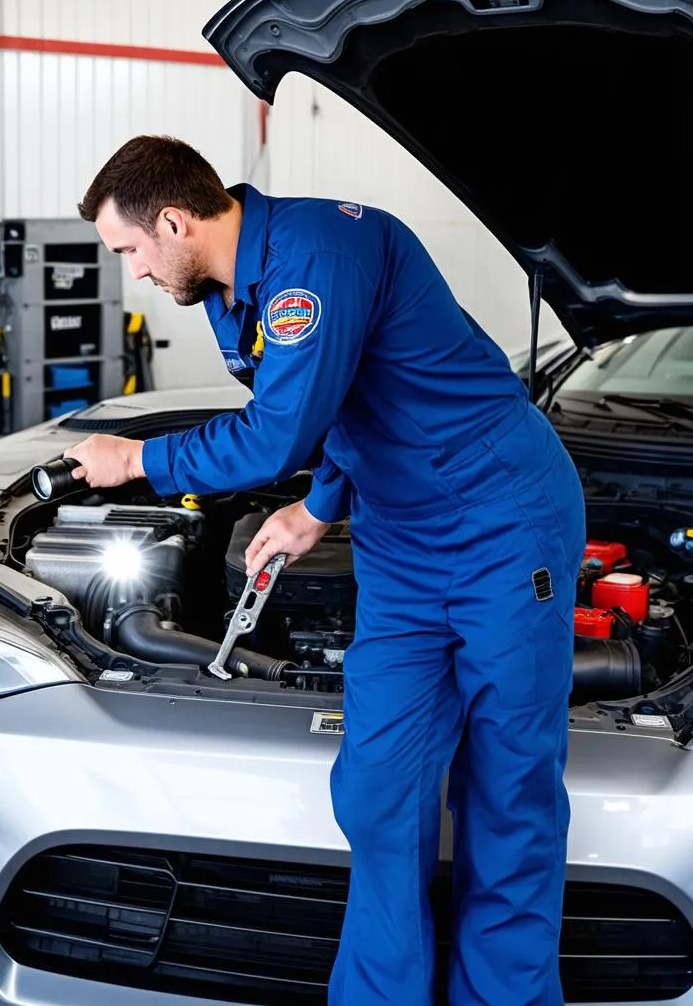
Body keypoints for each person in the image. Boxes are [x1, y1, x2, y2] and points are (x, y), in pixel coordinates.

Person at [64, 134, 585, 1006]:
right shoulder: (233, 290)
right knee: (380, 790)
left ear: (173, 220)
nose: (138, 274)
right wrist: (318, 509)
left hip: (505, 523)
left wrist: (138, 461)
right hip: (403, 541)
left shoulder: (316, 258)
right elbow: (348, 402)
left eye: (131, 251)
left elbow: (278, 435)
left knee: (509, 790)